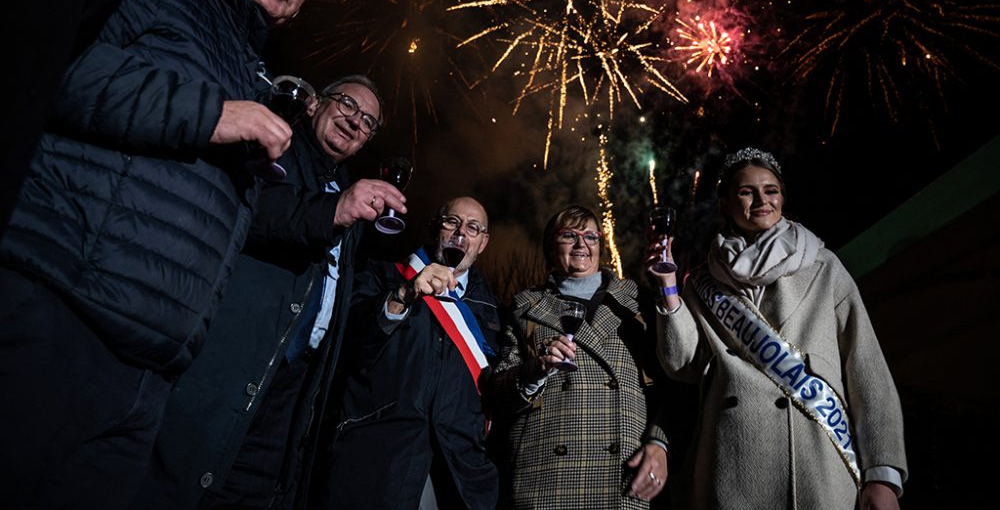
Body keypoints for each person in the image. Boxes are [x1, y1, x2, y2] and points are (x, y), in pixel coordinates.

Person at [0, 0, 322, 509]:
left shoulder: (254, 76)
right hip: (63, 312)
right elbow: (59, 67)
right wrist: (212, 115)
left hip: (151, 378)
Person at [136, 75, 405, 509]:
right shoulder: (274, 147)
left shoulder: (350, 192)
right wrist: (334, 210)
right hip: (227, 362)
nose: (356, 122)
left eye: (369, 122)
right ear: (315, 104)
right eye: (348, 105)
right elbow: (260, 210)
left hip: (291, 389)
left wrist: (395, 304)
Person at [652, 148, 907, 510]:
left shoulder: (824, 267)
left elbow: (867, 370)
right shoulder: (701, 282)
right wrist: (668, 288)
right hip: (731, 466)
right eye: (746, 192)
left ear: (783, 197)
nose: (761, 200)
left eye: (771, 190)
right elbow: (683, 365)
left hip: (817, 462)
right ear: (724, 202)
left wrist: (883, 474)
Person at [321, 197, 500, 510]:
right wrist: (402, 295)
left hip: (458, 472)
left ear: (482, 243)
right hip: (379, 457)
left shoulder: (493, 309)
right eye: (451, 222)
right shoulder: (384, 275)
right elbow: (347, 343)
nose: (461, 234)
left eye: (473, 228)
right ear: (435, 228)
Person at [488, 204, 669, 510]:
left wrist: (660, 443)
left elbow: (673, 383)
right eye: (569, 235)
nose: (582, 243)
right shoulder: (524, 306)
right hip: (545, 475)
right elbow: (497, 394)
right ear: (550, 246)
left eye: (590, 236)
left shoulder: (638, 303)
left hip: (624, 473)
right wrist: (535, 369)